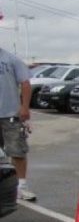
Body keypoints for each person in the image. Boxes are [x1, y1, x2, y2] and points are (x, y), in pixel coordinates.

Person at [0, 46, 34, 200]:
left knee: (17, 151)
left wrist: (24, 107)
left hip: (10, 115)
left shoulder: (11, 59)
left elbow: (25, 84)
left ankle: (21, 186)